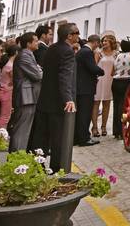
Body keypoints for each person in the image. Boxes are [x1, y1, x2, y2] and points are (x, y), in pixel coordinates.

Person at [33, 23, 78, 172]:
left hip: (45, 99)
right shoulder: (67, 51)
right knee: (58, 138)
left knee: (41, 138)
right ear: (69, 36)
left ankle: (37, 167)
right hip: (57, 102)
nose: (78, 35)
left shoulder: (51, 48)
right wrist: (68, 99)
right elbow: (64, 77)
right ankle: (57, 169)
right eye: (76, 32)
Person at [8, 32, 42, 152]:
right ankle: (16, 154)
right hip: (25, 96)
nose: (38, 43)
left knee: (24, 128)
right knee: (21, 128)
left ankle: (19, 154)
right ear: (28, 43)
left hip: (28, 96)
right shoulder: (24, 56)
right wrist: (40, 71)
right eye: (36, 41)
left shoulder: (28, 54)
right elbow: (37, 74)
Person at [76, 34, 104, 146]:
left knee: (81, 114)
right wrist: (101, 71)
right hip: (85, 88)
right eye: (98, 44)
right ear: (96, 42)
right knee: (85, 114)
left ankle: (78, 137)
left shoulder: (82, 51)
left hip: (81, 87)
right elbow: (92, 68)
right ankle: (84, 138)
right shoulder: (87, 52)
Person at [112, 39, 130, 139]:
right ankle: (122, 130)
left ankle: (116, 131)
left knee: (116, 106)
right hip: (127, 81)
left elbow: (112, 71)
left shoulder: (118, 56)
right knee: (124, 106)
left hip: (116, 81)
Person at [93, 34, 117, 137]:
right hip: (99, 80)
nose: (103, 43)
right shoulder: (98, 53)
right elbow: (94, 66)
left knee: (107, 104)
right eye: (103, 41)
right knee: (96, 103)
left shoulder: (116, 54)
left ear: (111, 42)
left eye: (106, 41)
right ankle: (94, 127)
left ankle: (103, 126)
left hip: (110, 80)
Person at [0, 44, 18, 129]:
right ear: (16, 52)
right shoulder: (11, 66)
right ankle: (0, 137)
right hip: (7, 92)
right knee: (5, 117)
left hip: (4, 91)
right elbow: (14, 79)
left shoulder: (7, 63)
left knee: (4, 116)